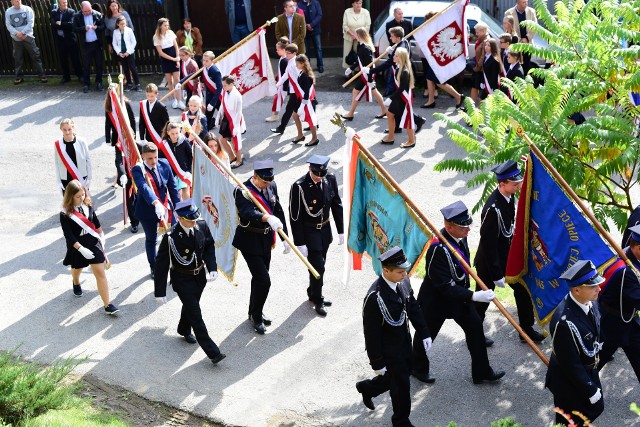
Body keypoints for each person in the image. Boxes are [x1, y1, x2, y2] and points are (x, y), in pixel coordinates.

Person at [411, 201, 505, 385]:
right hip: (436, 301)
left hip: (458, 297)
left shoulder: (461, 237)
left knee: (476, 327)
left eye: (468, 224)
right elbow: (444, 286)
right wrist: (474, 296)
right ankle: (417, 367)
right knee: (426, 335)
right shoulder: (438, 248)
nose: (468, 229)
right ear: (449, 226)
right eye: (463, 226)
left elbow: (462, 270)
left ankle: (482, 371)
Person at [355, 246, 431, 427]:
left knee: (395, 379)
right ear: (386, 270)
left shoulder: (403, 282)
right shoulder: (375, 297)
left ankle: (368, 388)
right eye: (399, 272)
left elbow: (412, 307)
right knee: (402, 386)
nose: (404, 275)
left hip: (404, 344)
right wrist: (377, 363)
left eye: (405, 270)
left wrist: (424, 332)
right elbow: (371, 334)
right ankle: (401, 421)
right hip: (388, 352)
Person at [474, 160, 545, 344]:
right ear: (502, 184)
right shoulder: (493, 210)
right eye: (515, 184)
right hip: (490, 263)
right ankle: (473, 333)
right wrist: (497, 274)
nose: (519, 186)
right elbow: (489, 245)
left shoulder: (509, 197)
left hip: (505, 257)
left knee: (522, 290)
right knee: (483, 299)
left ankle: (526, 330)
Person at [154, 199, 226, 365]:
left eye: (195, 218)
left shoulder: (201, 225)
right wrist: (160, 291)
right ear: (180, 218)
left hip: (200, 277)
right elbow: (161, 264)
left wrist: (212, 267)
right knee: (196, 313)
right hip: (182, 279)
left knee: (191, 306)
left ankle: (183, 329)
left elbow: (208, 246)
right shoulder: (171, 237)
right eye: (190, 219)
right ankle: (213, 352)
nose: (194, 221)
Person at [233, 160, 289, 335]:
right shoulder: (242, 191)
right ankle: (256, 317)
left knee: (258, 278)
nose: (267, 185)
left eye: (269, 181)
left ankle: (254, 310)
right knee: (264, 280)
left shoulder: (271, 185)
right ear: (255, 177)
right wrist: (266, 218)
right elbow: (248, 212)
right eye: (264, 182)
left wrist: (284, 237)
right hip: (249, 240)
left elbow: (277, 210)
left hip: (266, 239)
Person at [546, 260, 605, 427]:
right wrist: (589, 389)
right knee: (571, 421)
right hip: (568, 382)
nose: (599, 289)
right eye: (593, 286)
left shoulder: (590, 301)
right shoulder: (564, 322)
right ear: (577, 290)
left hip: (587, 370)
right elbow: (570, 364)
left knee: (592, 411)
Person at [289, 155, 343, 316]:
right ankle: (318, 299)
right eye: (316, 174)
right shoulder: (299, 186)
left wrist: (341, 230)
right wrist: (299, 242)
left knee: (320, 264)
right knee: (318, 267)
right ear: (309, 169)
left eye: (322, 174)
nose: (319, 178)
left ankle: (313, 292)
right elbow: (295, 216)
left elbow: (336, 205)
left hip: (325, 230)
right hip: (310, 232)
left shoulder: (330, 179)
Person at [60, 180, 119, 315]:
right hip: (77, 245)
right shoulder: (65, 213)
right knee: (77, 268)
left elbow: (95, 222)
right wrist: (81, 249)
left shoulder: (87, 204)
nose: (81, 198)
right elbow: (69, 235)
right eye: (78, 196)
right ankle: (75, 282)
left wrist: (102, 235)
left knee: (100, 272)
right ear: (70, 197)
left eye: (83, 194)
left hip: (92, 241)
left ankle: (107, 305)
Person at [597, 224, 640, 381]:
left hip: (629, 322)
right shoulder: (626, 271)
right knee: (593, 365)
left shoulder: (628, 254)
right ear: (638, 248)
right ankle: (577, 395)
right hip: (612, 324)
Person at [131, 142, 180, 279]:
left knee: (173, 236)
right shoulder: (138, 169)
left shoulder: (164, 163)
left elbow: (172, 187)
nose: (153, 161)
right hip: (147, 210)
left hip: (166, 207)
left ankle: (174, 263)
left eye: (155, 157)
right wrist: (155, 202)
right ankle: (154, 266)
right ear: (143, 157)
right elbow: (143, 187)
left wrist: (178, 208)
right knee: (152, 239)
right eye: (150, 158)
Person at [366, 27, 425, 136]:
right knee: (396, 107)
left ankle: (416, 122)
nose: (390, 37)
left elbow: (387, 64)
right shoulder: (402, 43)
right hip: (397, 76)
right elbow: (393, 61)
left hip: (400, 78)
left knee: (400, 106)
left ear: (398, 37)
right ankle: (397, 127)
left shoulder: (401, 47)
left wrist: (371, 70)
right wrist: (391, 53)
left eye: (392, 36)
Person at [104, 89, 138, 232]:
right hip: (119, 140)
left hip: (130, 139)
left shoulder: (126, 104)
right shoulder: (108, 107)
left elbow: (131, 120)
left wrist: (133, 135)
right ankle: (134, 221)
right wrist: (122, 172)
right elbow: (108, 123)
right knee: (128, 192)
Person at [341, 28, 387, 121]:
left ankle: (351, 113)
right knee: (370, 91)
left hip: (367, 74)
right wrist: (351, 68)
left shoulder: (365, 48)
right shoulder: (361, 46)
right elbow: (359, 60)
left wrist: (370, 79)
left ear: (360, 36)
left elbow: (369, 65)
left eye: (356, 34)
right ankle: (384, 109)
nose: (355, 36)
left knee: (358, 91)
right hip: (365, 74)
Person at [379, 47, 417, 149]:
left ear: (400, 58)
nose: (393, 57)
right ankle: (391, 137)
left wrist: (391, 98)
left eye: (396, 55)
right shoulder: (399, 66)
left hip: (403, 98)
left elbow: (401, 89)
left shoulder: (404, 71)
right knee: (390, 114)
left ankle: (412, 141)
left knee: (407, 119)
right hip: (399, 97)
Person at [6, 0, 47, 85]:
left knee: (36, 56)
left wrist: (22, 33)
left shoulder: (27, 9)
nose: (18, 2)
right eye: (16, 1)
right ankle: (18, 77)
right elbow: (8, 25)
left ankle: (42, 75)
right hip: (16, 39)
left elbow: (31, 23)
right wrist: (17, 33)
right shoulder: (8, 11)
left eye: (19, 0)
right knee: (17, 58)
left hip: (28, 37)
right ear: (12, 2)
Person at [73, 1, 105, 93]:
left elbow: (103, 26)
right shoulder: (77, 16)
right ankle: (86, 84)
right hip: (86, 45)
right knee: (86, 65)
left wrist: (97, 28)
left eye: (89, 10)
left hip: (97, 43)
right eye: (85, 11)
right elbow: (74, 29)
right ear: (81, 9)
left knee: (99, 64)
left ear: (91, 7)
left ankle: (99, 82)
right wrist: (84, 28)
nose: (87, 13)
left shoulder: (97, 14)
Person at [216, 75, 246, 169]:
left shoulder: (237, 96)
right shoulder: (225, 91)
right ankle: (233, 156)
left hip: (234, 120)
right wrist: (219, 116)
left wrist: (236, 126)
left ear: (231, 84)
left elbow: (238, 112)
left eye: (225, 85)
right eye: (223, 85)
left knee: (235, 140)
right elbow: (222, 104)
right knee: (222, 139)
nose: (223, 87)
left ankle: (239, 160)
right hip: (226, 118)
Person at [54, 118, 92, 194]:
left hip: (80, 177)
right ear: (61, 129)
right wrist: (58, 181)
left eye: (69, 129)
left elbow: (88, 160)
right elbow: (57, 163)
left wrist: (89, 177)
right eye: (64, 130)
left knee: (82, 201)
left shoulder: (82, 141)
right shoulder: (58, 144)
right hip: (65, 178)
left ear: (73, 128)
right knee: (68, 204)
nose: (67, 132)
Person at [158, 122, 193, 201]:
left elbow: (190, 156)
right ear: (168, 133)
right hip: (171, 173)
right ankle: (180, 212)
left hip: (184, 171)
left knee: (185, 191)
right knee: (177, 194)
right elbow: (160, 160)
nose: (175, 136)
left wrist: (189, 170)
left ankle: (188, 210)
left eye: (177, 133)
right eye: (172, 133)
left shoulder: (184, 141)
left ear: (180, 131)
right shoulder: (165, 145)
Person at [50, 0, 82, 84]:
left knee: (75, 58)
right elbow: (53, 25)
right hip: (60, 40)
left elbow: (71, 25)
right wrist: (63, 24)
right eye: (63, 3)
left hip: (71, 39)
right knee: (63, 59)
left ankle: (80, 75)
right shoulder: (54, 12)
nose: (65, 4)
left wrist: (60, 23)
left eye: (66, 2)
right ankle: (66, 77)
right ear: (59, 4)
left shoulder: (71, 11)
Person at [153, 18, 182, 109]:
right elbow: (161, 53)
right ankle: (174, 100)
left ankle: (179, 100)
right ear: (160, 25)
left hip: (174, 56)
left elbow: (176, 47)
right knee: (170, 81)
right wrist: (172, 59)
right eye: (165, 25)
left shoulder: (171, 33)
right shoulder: (156, 37)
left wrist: (177, 59)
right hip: (166, 59)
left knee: (177, 80)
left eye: (167, 25)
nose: (167, 27)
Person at [270, 43, 299, 136]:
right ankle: (281, 128)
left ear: (294, 53)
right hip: (294, 90)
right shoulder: (290, 61)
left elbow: (302, 77)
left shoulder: (296, 63)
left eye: (288, 53)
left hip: (298, 91)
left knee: (294, 110)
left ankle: (313, 125)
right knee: (291, 109)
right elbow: (285, 75)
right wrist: (277, 85)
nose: (286, 55)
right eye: (286, 53)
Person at [290, 54, 319, 147]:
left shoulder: (306, 77)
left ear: (302, 64)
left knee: (311, 120)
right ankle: (300, 135)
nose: (296, 65)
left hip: (307, 101)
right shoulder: (302, 72)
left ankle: (314, 138)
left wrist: (303, 105)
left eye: (297, 64)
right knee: (295, 116)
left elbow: (306, 93)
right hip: (301, 100)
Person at [384, 7, 412, 96]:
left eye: (402, 14)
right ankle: (389, 89)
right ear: (395, 14)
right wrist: (393, 48)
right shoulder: (389, 24)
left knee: (406, 71)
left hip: (404, 50)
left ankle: (409, 90)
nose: (401, 15)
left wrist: (402, 42)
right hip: (394, 49)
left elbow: (410, 36)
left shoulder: (408, 23)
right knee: (391, 70)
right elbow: (390, 37)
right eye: (399, 14)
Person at [504, 0, 538, 74]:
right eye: (523, 2)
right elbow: (508, 29)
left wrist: (527, 38)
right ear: (517, 3)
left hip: (527, 44)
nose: (526, 4)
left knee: (526, 68)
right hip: (515, 45)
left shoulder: (531, 12)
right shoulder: (509, 13)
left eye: (526, 2)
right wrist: (519, 40)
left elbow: (535, 27)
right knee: (515, 69)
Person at [111, 15, 140, 92]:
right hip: (121, 54)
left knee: (133, 68)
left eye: (124, 23)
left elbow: (134, 42)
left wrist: (128, 52)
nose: (123, 25)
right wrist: (119, 52)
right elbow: (114, 44)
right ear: (118, 24)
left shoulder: (129, 30)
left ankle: (137, 84)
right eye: (121, 24)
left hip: (129, 53)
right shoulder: (115, 32)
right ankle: (129, 84)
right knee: (125, 69)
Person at [104, 0, 133, 73]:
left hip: (126, 41)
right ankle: (123, 75)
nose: (114, 8)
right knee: (119, 60)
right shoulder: (107, 17)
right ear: (109, 7)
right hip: (115, 42)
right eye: (112, 6)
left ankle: (130, 76)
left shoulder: (124, 14)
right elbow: (107, 32)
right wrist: (109, 44)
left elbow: (131, 27)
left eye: (115, 5)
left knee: (128, 59)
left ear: (118, 5)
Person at [265, 37, 289, 123]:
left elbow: (285, 75)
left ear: (283, 49)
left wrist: (283, 87)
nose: (276, 51)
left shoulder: (284, 61)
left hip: (284, 85)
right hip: (284, 84)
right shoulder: (283, 59)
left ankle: (275, 115)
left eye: (278, 49)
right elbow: (281, 72)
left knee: (278, 99)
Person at [342, 0, 370, 69]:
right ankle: (348, 72)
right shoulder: (347, 12)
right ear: (352, 4)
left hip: (360, 38)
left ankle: (357, 71)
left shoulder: (366, 12)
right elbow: (345, 25)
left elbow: (367, 26)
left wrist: (358, 35)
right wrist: (352, 34)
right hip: (349, 37)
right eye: (356, 3)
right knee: (347, 55)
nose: (358, 5)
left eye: (360, 3)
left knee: (359, 56)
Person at [298, 0, 323, 73]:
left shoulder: (316, 2)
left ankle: (320, 65)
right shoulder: (299, 4)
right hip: (304, 31)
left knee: (318, 48)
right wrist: (306, 25)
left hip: (316, 29)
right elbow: (299, 17)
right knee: (306, 50)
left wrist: (312, 24)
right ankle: (308, 67)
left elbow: (319, 15)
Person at [201, 51, 223, 131]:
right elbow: (193, 74)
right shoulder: (204, 69)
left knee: (224, 117)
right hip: (209, 98)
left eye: (207, 61)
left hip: (217, 98)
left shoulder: (215, 71)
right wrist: (181, 82)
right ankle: (205, 136)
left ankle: (228, 135)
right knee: (207, 118)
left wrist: (212, 103)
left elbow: (219, 87)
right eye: (203, 60)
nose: (204, 62)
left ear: (212, 61)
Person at [468, 22, 488, 105]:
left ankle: (479, 110)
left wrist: (476, 68)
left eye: (478, 32)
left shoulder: (486, 41)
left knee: (480, 89)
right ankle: (471, 106)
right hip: (478, 67)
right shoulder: (480, 39)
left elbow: (483, 57)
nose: (476, 34)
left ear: (483, 31)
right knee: (474, 86)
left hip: (480, 69)